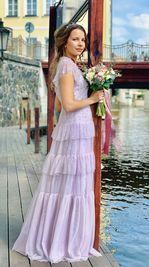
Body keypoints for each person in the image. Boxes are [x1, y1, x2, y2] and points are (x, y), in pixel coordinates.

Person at [12, 23, 104, 263]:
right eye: (75, 39)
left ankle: (66, 237)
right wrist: (93, 98)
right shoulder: (65, 66)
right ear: (65, 42)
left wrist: (92, 92)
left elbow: (65, 104)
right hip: (74, 130)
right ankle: (63, 241)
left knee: (73, 184)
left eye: (83, 39)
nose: (81, 43)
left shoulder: (72, 66)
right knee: (72, 185)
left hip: (79, 130)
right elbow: (69, 105)